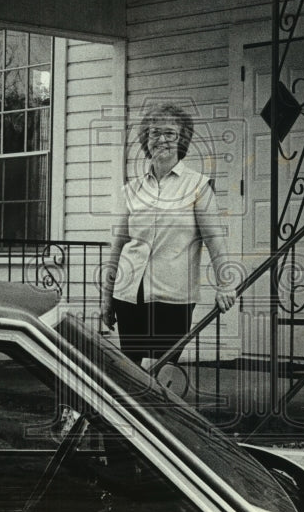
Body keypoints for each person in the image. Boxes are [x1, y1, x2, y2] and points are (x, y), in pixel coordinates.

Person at [101, 103, 236, 367]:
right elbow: (118, 247)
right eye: (154, 133)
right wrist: (107, 297)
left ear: (182, 140)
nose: (161, 139)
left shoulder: (198, 186)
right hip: (128, 295)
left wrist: (226, 285)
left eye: (170, 134)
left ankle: (158, 410)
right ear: (146, 140)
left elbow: (215, 241)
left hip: (173, 298)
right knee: (132, 370)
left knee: (163, 370)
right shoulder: (132, 190)